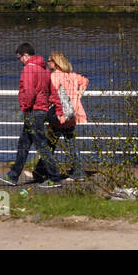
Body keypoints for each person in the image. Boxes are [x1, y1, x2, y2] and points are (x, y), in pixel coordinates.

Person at [0, 43, 63, 188]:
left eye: (19, 58)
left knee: (41, 146)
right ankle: (13, 175)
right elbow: (52, 92)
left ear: (25, 55)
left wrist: (25, 107)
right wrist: (58, 108)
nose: (19, 61)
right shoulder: (44, 70)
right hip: (41, 110)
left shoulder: (28, 69)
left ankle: (55, 177)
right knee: (24, 144)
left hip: (33, 111)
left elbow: (28, 92)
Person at [44, 52, 90, 182]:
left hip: (60, 114)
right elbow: (85, 80)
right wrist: (78, 95)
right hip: (72, 113)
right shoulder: (73, 76)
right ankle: (79, 172)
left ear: (56, 63)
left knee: (49, 144)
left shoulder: (54, 77)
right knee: (71, 143)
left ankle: (43, 171)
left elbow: (51, 95)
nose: (48, 63)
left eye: (49, 61)